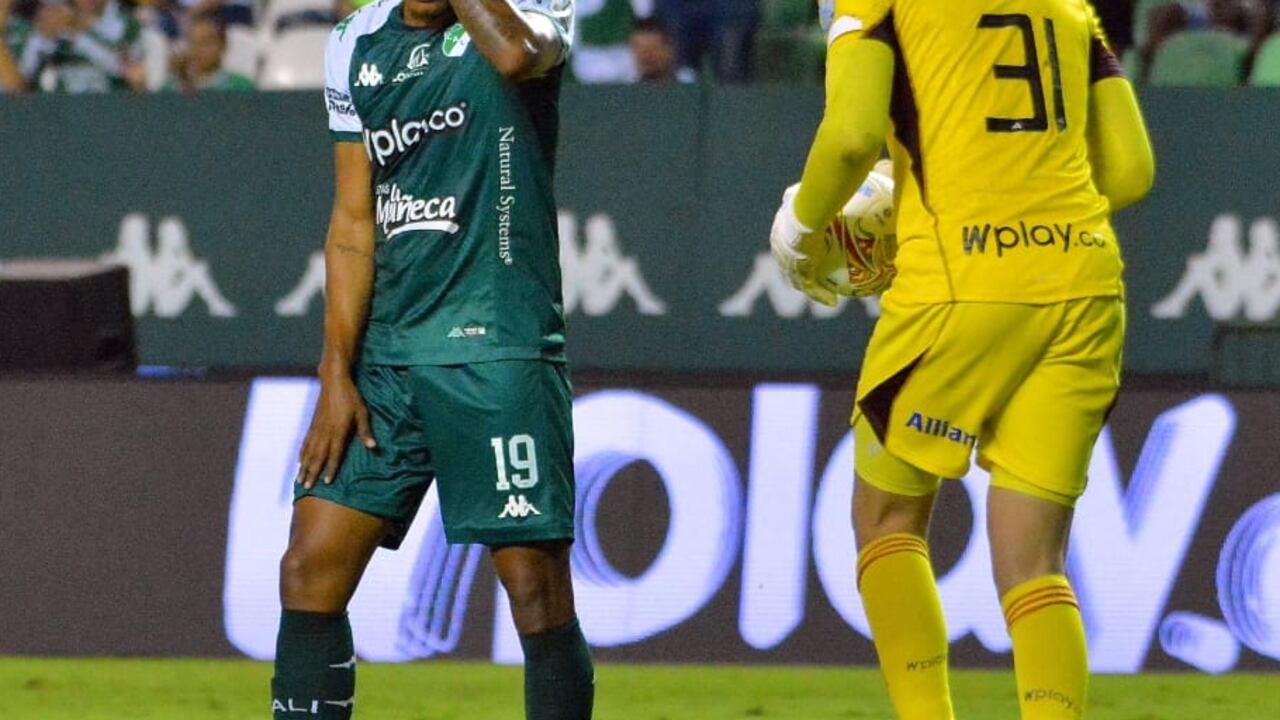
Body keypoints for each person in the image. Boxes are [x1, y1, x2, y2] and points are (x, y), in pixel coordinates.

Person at [770, 1, 1154, 718]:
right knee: (1035, 566)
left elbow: (852, 138)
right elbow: (1131, 172)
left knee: (886, 519)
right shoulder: (1073, 8)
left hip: (961, 283)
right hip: (1086, 285)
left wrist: (799, 226)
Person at [275, 0, 593, 718]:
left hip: (498, 348)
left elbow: (517, 55)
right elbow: (353, 220)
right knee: (308, 569)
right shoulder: (355, 42)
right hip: (387, 358)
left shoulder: (533, 10)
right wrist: (334, 372)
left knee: (535, 592)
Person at [18, 0, 144, 92]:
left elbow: (134, 75)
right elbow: (20, 82)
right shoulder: (51, 17)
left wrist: (79, 35)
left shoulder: (127, 24)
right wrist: (43, 38)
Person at [655, 0, 757, 83]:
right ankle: (682, 94)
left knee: (729, 65)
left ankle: (731, 100)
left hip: (730, 7)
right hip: (679, 6)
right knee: (679, 66)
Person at [165, 13, 252, 92]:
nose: (198, 49)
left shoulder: (240, 86)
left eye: (206, 43)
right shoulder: (172, 87)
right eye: (193, 43)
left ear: (223, 46)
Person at [628, 17, 690, 83]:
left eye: (653, 49)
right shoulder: (622, 91)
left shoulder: (690, 85)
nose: (646, 56)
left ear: (669, 50)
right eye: (640, 50)